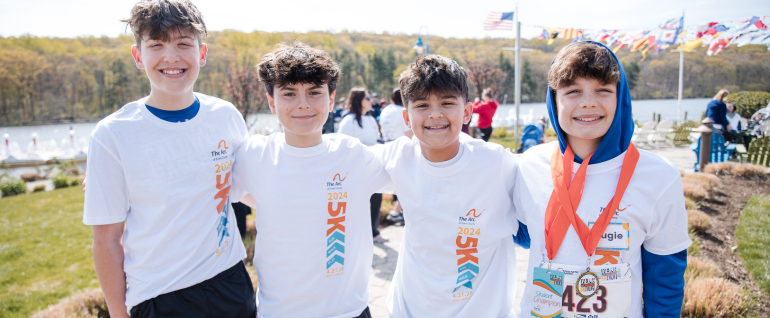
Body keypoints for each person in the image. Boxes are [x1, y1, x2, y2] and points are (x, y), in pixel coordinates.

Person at [83, 1, 255, 317]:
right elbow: (106, 239)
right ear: (138, 56)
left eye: (183, 44)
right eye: (157, 45)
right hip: (160, 297)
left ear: (202, 54)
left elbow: (249, 188)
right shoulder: (112, 135)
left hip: (231, 282)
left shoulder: (225, 116)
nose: (171, 57)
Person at [514, 42, 690, 318]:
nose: (588, 102)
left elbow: (664, 276)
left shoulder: (659, 176)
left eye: (603, 90)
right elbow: (525, 235)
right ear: (553, 100)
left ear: (620, 97)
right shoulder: (528, 166)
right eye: (572, 91)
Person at [230, 42, 391, 318]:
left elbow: (420, 170)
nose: (302, 104)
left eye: (314, 92)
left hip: (348, 312)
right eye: (289, 94)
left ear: (331, 99)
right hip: (278, 312)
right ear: (272, 102)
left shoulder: (352, 154)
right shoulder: (254, 155)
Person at [382, 54, 523, 318]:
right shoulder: (396, 157)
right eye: (422, 105)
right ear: (406, 116)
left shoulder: (498, 162)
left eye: (447, 103)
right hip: (410, 310)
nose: (435, 114)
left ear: (468, 111)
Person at [338, 87, 389, 243]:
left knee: (376, 200)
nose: (370, 100)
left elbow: (377, 140)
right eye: (367, 98)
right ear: (358, 100)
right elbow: (342, 146)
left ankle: (374, 232)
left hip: (373, 167)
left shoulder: (371, 119)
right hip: (355, 170)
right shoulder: (349, 120)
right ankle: (355, 235)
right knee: (356, 203)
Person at [378, 88, 412, 224]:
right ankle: (397, 212)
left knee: (395, 184)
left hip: (387, 146)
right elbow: (409, 133)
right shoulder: (401, 112)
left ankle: (398, 212)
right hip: (402, 148)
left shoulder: (386, 110)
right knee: (406, 183)